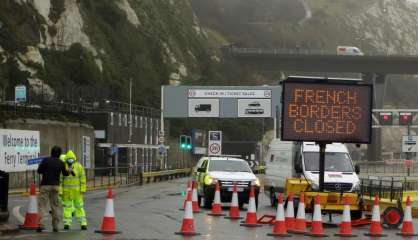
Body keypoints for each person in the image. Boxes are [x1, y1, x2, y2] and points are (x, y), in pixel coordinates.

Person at [37, 146, 69, 232]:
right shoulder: (61, 162)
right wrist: (69, 171)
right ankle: (56, 226)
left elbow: (39, 171)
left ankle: (40, 224)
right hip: (56, 186)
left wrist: (46, 171)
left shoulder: (46, 160)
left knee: (42, 205)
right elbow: (65, 173)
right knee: (55, 206)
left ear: (51, 152)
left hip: (45, 185)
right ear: (59, 154)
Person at [60, 150, 87, 230]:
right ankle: (67, 223)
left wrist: (83, 189)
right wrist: (60, 191)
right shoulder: (63, 167)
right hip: (67, 192)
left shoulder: (78, 166)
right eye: (68, 159)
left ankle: (83, 223)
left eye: (71, 159)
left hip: (77, 192)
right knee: (67, 208)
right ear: (66, 159)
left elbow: (83, 179)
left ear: (74, 158)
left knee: (79, 207)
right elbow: (60, 180)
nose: (70, 160)